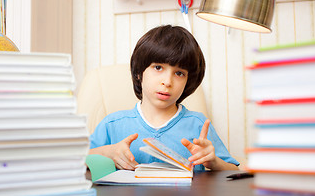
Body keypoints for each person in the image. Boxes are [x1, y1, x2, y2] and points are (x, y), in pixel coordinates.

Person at [89, 25, 239, 172]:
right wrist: (106, 153)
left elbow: (234, 171)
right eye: (158, 68)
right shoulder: (112, 125)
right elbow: (73, 161)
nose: (167, 82)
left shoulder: (198, 124)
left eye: (179, 73)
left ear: (188, 81)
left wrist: (213, 162)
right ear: (139, 73)